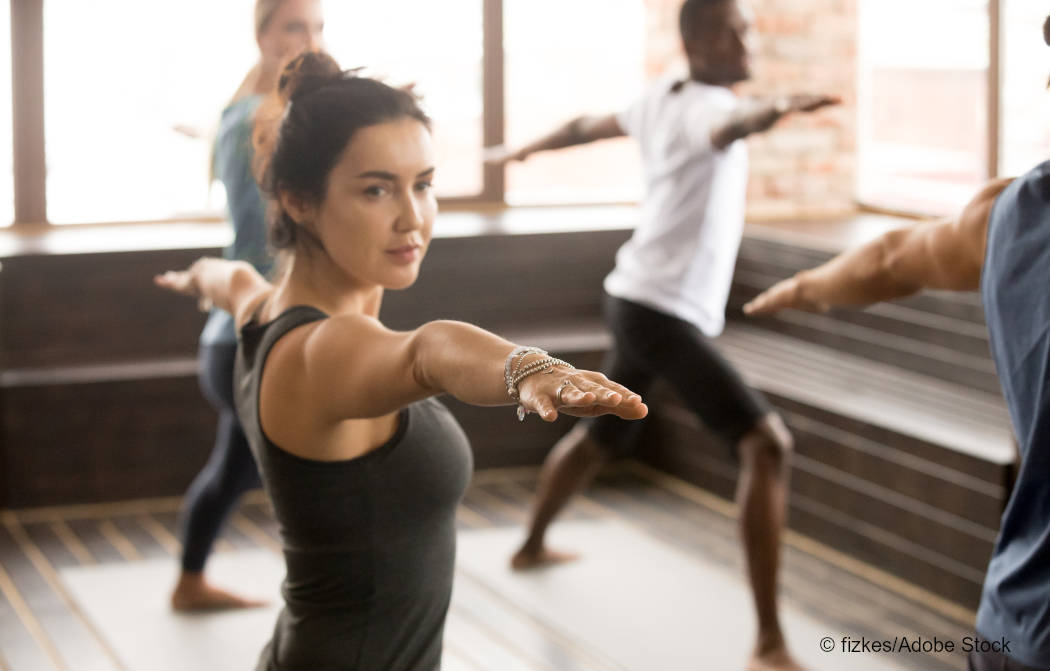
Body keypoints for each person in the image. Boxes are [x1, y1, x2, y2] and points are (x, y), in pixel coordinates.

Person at [155, 51, 648, 671]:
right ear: (298, 201)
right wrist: (530, 369)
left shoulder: (258, 310)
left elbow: (225, 276)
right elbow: (428, 351)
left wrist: (192, 277)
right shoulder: (319, 352)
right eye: (376, 189)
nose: (412, 217)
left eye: (424, 184)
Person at [486, 1, 837, 668]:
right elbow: (735, 122)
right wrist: (777, 107)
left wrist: (524, 148)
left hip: (633, 296)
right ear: (702, 39)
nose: (749, 40)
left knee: (601, 434)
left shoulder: (658, 97)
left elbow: (583, 127)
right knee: (767, 444)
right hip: (659, 310)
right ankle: (768, 641)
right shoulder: (707, 106)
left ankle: (531, 544)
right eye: (738, 30)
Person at [745, 19, 1050, 671]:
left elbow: (892, 259)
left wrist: (804, 287)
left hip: (1014, 625)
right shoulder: (1014, 214)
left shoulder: (1011, 213)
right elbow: (891, 258)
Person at [170, 0, 325, 612]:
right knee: (298, 478)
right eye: (295, 28)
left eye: (318, 28)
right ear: (264, 37)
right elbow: (267, 238)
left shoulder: (263, 115)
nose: (309, 41)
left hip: (238, 337)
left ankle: (189, 582)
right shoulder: (256, 123)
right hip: (247, 337)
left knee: (235, 470)